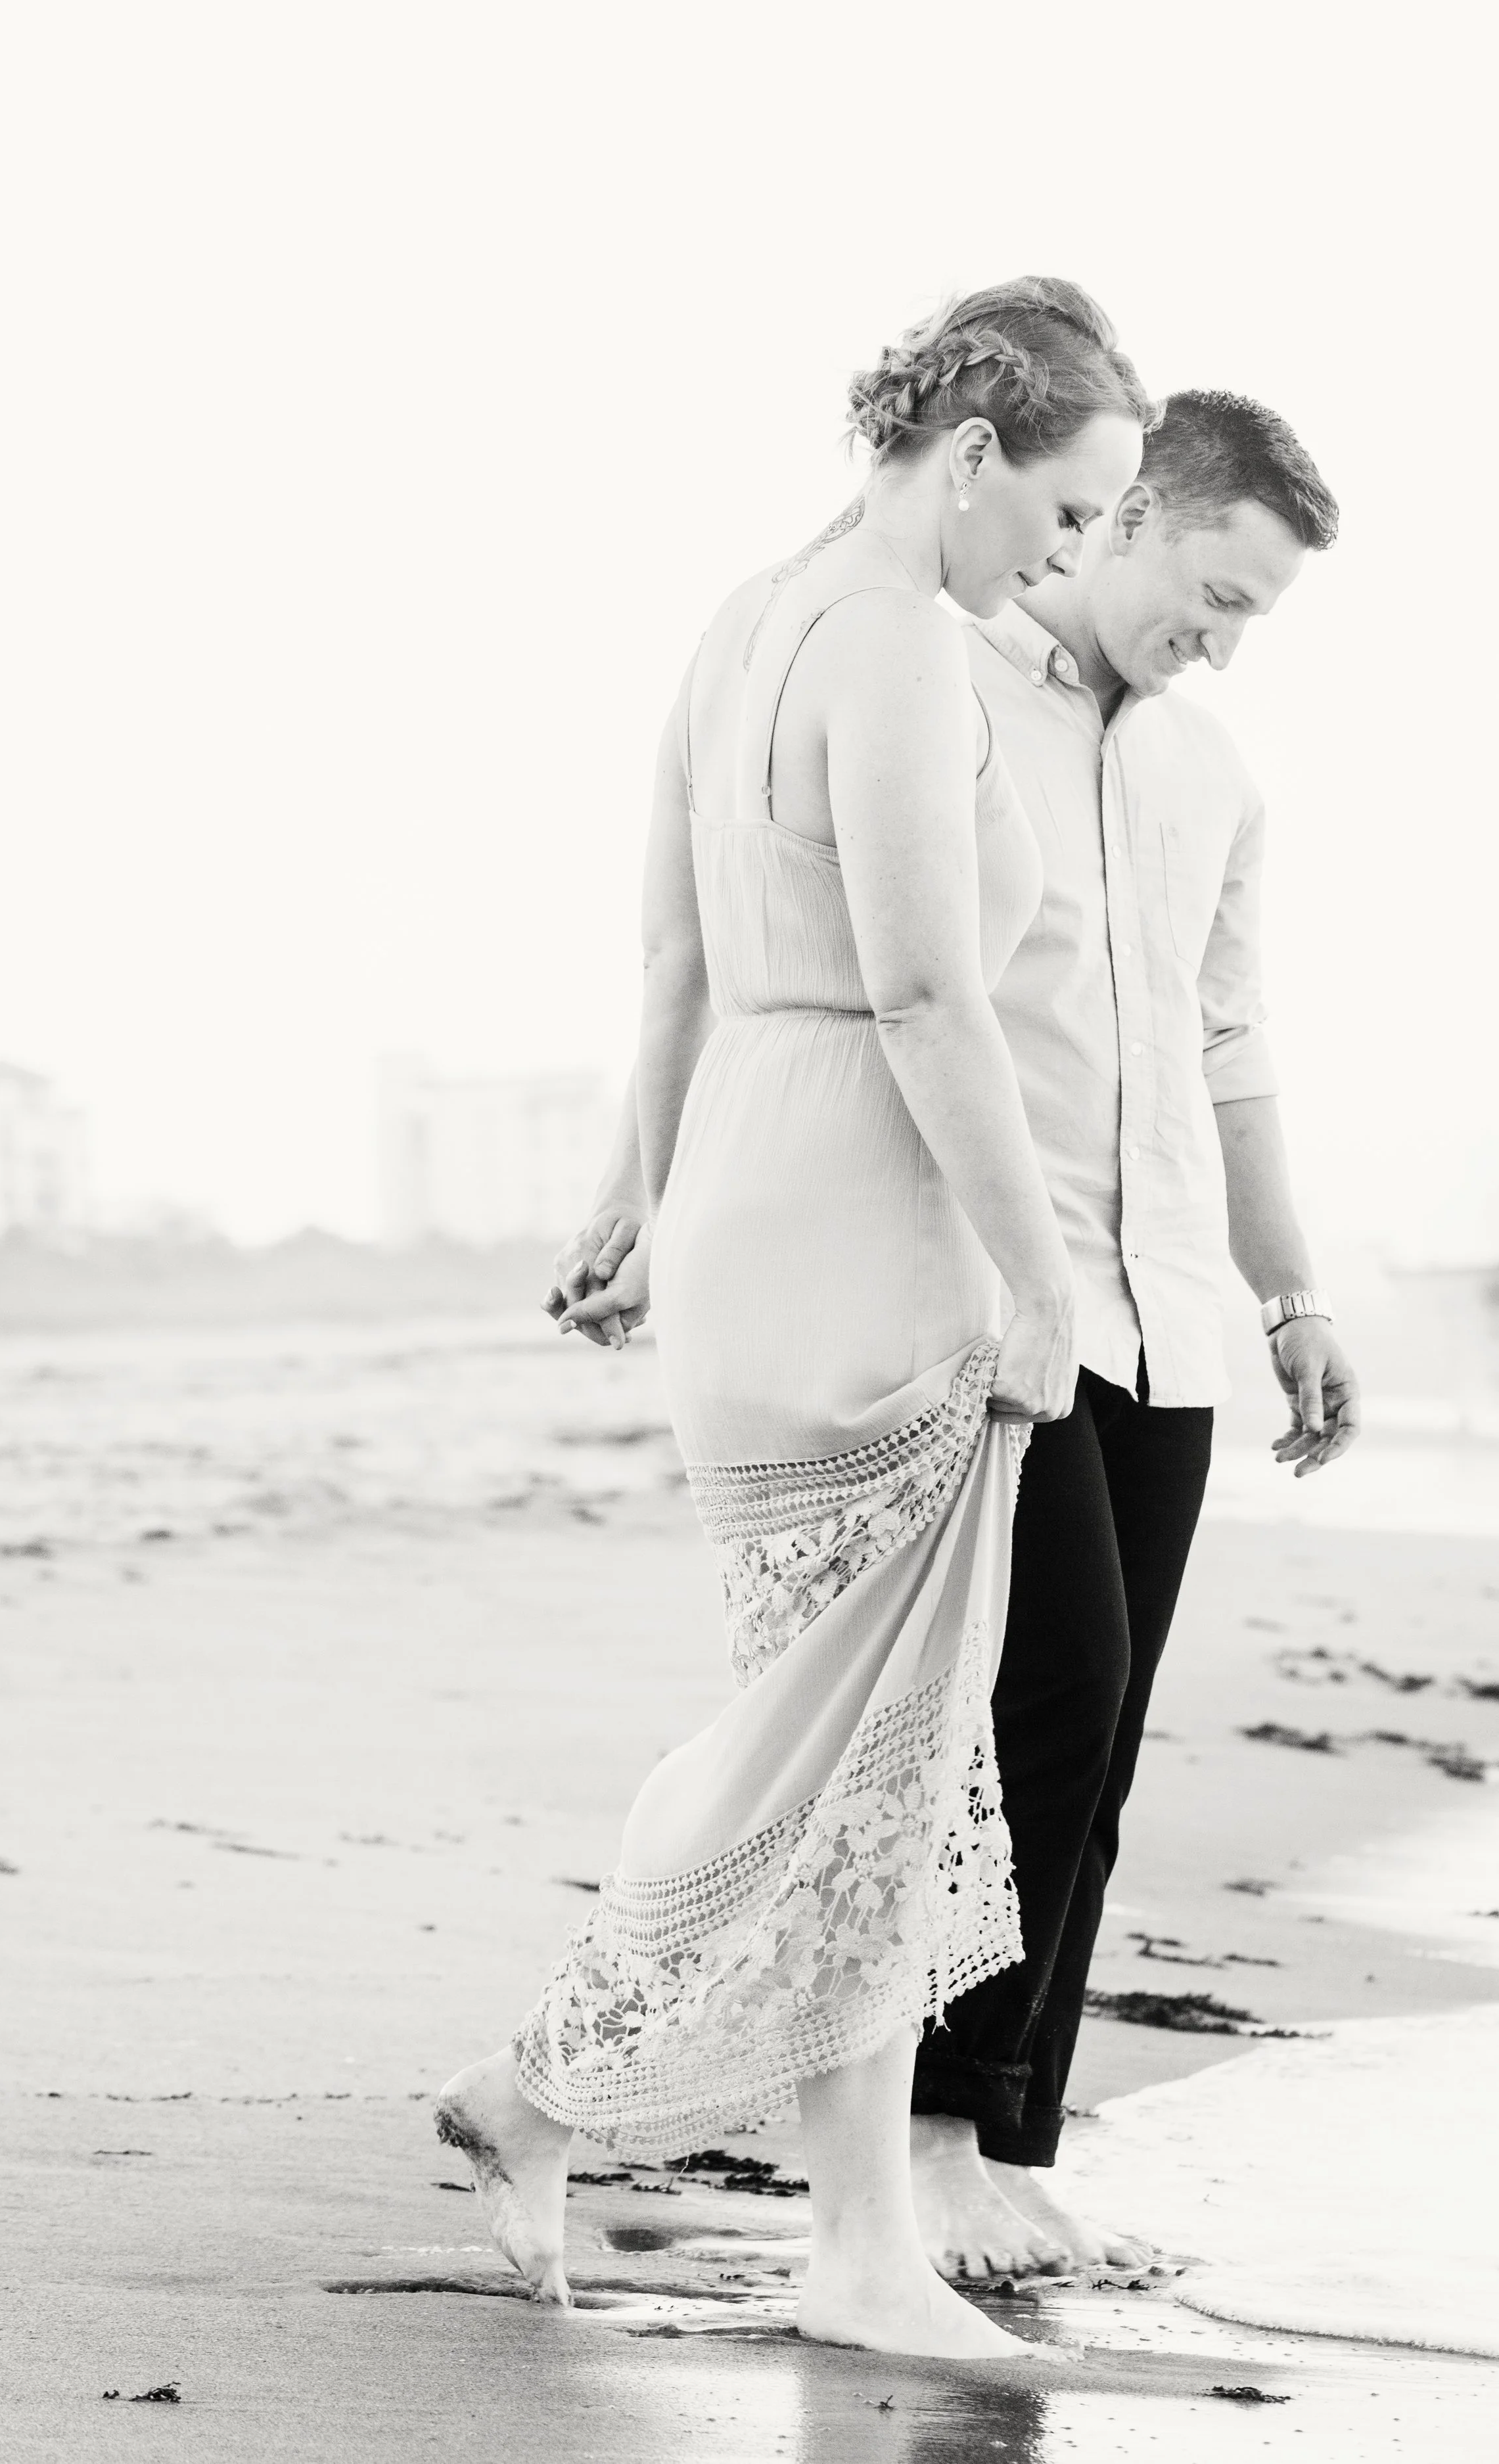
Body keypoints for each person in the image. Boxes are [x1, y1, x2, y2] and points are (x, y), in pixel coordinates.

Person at [549, 388, 1361, 2283]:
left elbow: (1226, 1046)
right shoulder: (934, 679)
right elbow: (765, 951)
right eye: (1208, 589)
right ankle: (910, 2134)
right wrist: (645, 1181)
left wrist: (1291, 1289)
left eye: (1251, 620)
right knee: (1023, 1712)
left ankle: (999, 2130)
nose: (1214, 639)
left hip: (1158, 1299)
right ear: (1130, 510)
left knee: (1100, 1730)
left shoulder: (1209, 773)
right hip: (984, 1277)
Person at [435, 277, 1150, 2361]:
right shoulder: (906, 646)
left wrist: (637, 1197)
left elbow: (668, 960)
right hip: (868, 1199)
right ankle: (760, 2198)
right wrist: (1036, 1275)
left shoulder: (740, 615)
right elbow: (933, 1000)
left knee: (836, 1737)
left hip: (745, 1187)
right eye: (1069, 507)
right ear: (968, 452)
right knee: (874, 1750)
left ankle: (662, 2144)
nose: (1068, 554)